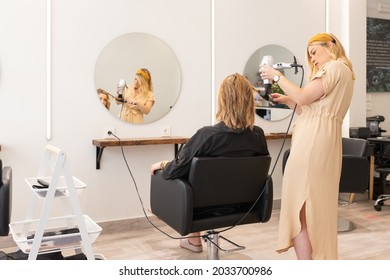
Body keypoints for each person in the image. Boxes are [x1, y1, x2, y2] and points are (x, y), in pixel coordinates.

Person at [260, 32, 355, 260]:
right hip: (321, 139)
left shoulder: (333, 67)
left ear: (330, 45)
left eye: (314, 52)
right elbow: (309, 108)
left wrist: (276, 77)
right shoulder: (344, 72)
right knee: (309, 207)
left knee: (298, 205)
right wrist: (289, 101)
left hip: (313, 142)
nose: (312, 59)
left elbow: (304, 98)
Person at [150, 73, 269, 253]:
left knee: (189, 177)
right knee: (201, 177)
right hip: (243, 207)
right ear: (249, 101)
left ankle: (194, 238)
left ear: (223, 100)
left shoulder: (207, 135)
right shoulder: (257, 135)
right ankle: (194, 239)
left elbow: (175, 170)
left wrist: (163, 164)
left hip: (202, 209)